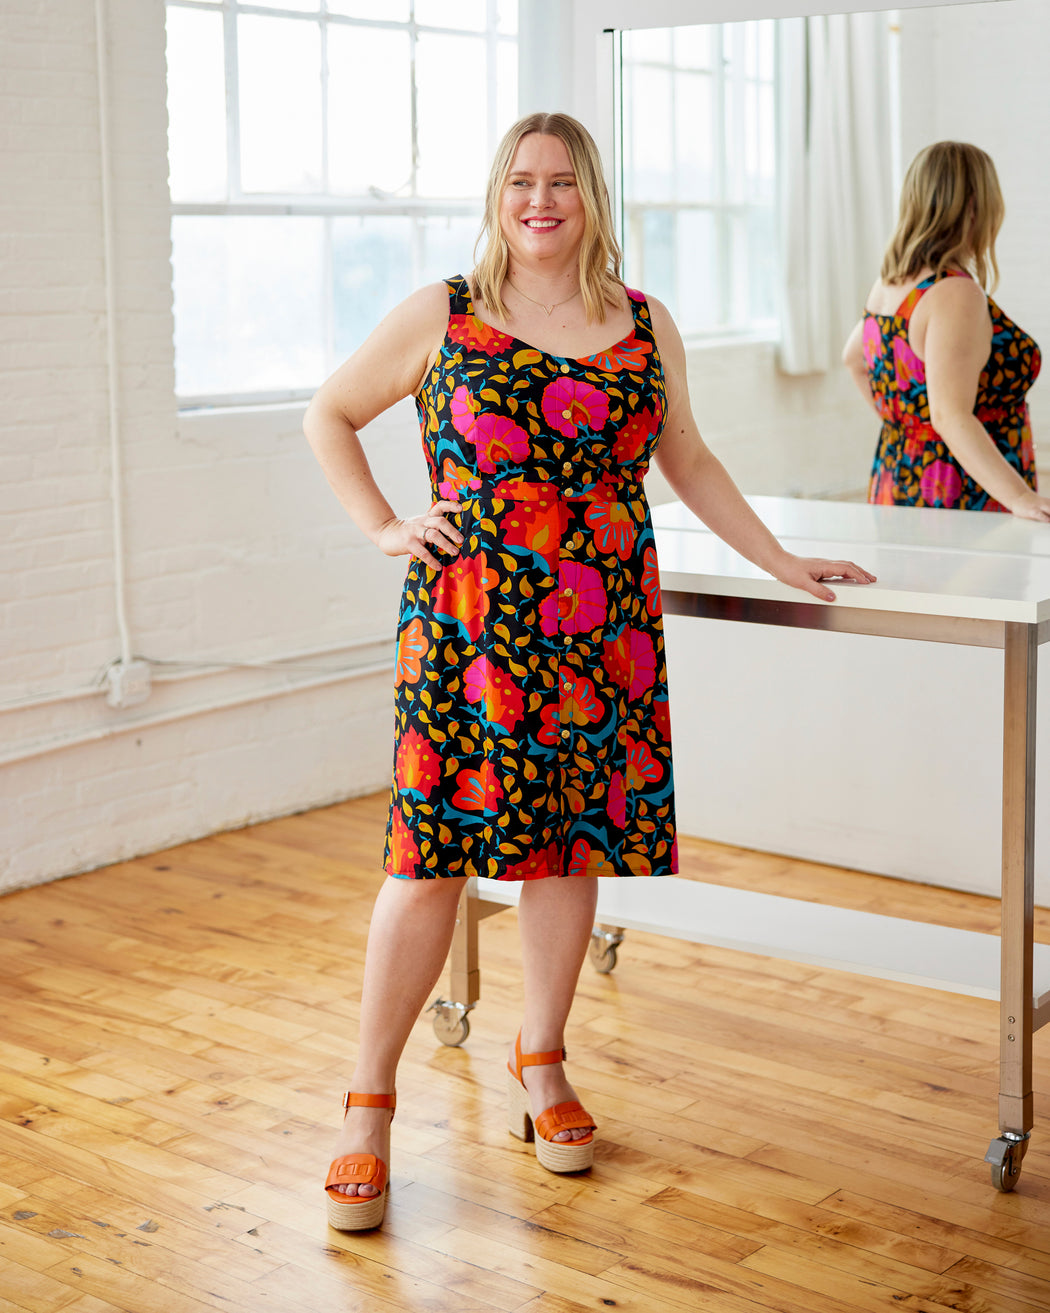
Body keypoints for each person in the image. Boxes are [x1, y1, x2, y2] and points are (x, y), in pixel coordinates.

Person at [304, 110, 875, 1232]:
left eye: (561, 182)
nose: (540, 201)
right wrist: (381, 524)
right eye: (521, 181)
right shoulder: (444, 314)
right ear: (496, 195)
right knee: (427, 861)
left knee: (566, 848)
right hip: (469, 631)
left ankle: (543, 1060)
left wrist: (781, 556)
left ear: (592, 196)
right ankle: (368, 1103)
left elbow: (692, 458)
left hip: (601, 623)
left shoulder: (644, 320)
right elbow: (329, 411)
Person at [842, 141, 1047, 517]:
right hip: (959, 488)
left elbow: (853, 358)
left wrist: (909, 430)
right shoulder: (954, 293)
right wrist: (1019, 497)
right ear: (974, 206)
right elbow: (950, 415)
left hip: (899, 471)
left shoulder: (892, 282)